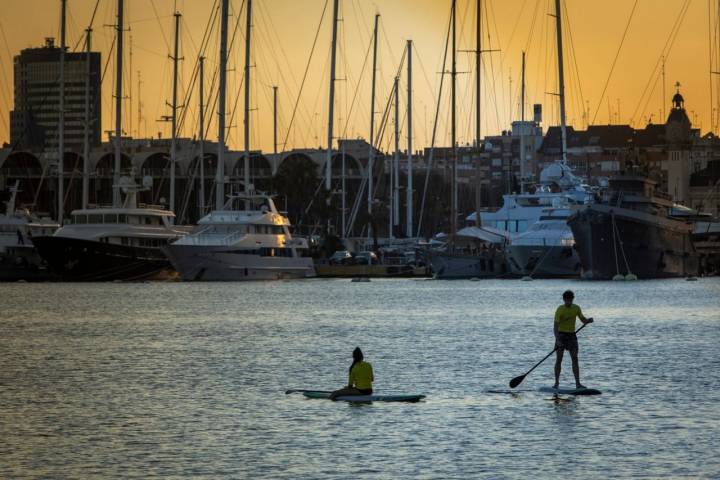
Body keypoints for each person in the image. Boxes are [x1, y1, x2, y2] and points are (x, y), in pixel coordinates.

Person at [554, 290, 593, 389]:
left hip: (572, 336)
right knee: (559, 360)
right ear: (564, 300)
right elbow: (555, 327)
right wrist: (558, 340)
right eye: (567, 300)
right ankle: (556, 383)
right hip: (561, 335)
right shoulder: (560, 310)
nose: (569, 302)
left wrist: (588, 321)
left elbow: (582, 319)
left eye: (570, 300)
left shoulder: (576, 308)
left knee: (575, 359)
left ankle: (578, 384)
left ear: (572, 299)